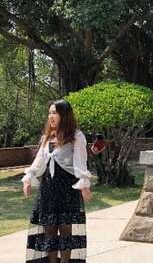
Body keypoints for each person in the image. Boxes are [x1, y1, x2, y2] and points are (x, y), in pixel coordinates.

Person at [22, 99, 92, 263]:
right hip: (48, 189)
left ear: (64, 115)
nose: (50, 116)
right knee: (49, 231)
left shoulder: (76, 136)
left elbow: (80, 163)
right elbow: (40, 159)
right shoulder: (47, 136)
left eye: (54, 112)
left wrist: (84, 185)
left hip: (67, 188)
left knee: (65, 231)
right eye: (49, 113)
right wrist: (28, 178)